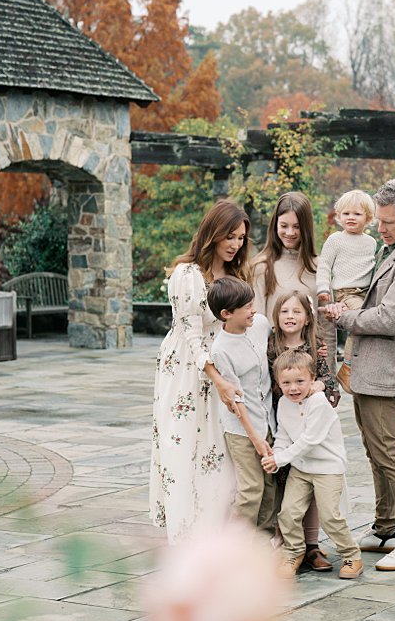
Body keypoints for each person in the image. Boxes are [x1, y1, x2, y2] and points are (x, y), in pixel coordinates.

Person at [324, 178, 395, 571]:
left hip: (388, 369)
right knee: (375, 452)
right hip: (371, 366)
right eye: (380, 220)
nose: (380, 228)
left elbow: (389, 319)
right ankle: (386, 528)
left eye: (388, 222)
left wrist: (344, 316)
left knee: (389, 453)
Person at [149, 200, 252, 543]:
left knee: (218, 450)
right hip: (187, 370)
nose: (235, 244)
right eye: (230, 236)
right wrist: (216, 377)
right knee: (183, 445)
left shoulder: (236, 274)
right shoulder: (187, 274)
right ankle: (185, 536)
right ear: (213, 233)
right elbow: (192, 332)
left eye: (240, 238)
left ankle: (214, 531)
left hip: (221, 365)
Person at [262, 350, 363, 581]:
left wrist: (279, 459)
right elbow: (283, 436)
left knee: (329, 516)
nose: (293, 388)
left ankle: (351, 554)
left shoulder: (319, 402)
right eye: (286, 383)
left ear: (312, 379)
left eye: (300, 381)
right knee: (288, 513)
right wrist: (275, 457)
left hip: (327, 468)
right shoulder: (285, 405)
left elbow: (310, 440)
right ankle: (294, 552)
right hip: (301, 468)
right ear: (278, 384)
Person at [267, 290, 338, 570]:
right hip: (279, 422)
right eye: (285, 311)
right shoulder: (269, 346)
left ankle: (312, 546)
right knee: (285, 486)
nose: (290, 317)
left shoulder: (315, 345)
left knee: (311, 485)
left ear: (308, 318)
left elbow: (330, 385)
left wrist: (319, 385)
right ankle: (286, 544)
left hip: (308, 426)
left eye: (297, 312)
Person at [207, 276, 278, 533]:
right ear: (226, 314)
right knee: (251, 490)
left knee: (270, 486)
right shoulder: (221, 350)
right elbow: (235, 403)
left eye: (252, 303)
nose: (254, 310)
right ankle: (232, 552)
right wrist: (257, 439)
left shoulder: (259, 325)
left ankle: (264, 546)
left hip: (267, 419)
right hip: (242, 429)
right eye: (247, 307)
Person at [316, 189, 377, 392]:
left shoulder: (371, 243)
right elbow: (324, 265)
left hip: (366, 293)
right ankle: (347, 368)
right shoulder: (335, 240)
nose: (351, 218)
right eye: (346, 213)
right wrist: (323, 290)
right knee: (363, 323)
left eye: (357, 214)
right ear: (339, 217)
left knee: (375, 324)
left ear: (368, 218)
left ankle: (355, 366)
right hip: (346, 293)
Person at [250, 192, 319, 323]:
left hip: (313, 343)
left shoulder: (319, 266)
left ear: (306, 228)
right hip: (274, 343)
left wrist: (329, 344)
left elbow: (326, 323)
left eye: (297, 227)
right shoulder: (261, 267)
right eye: (284, 226)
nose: (290, 233)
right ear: (275, 225)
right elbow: (257, 324)